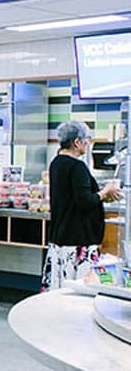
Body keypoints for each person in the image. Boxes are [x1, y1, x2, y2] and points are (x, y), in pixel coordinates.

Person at [42, 121, 121, 291]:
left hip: (61, 236)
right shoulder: (77, 166)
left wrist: (102, 196)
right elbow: (85, 202)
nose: (88, 143)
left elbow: (73, 197)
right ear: (77, 142)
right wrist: (105, 190)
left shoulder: (56, 163)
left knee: (60, 287)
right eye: (87, 140)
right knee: (78, 289)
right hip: (78, 239)